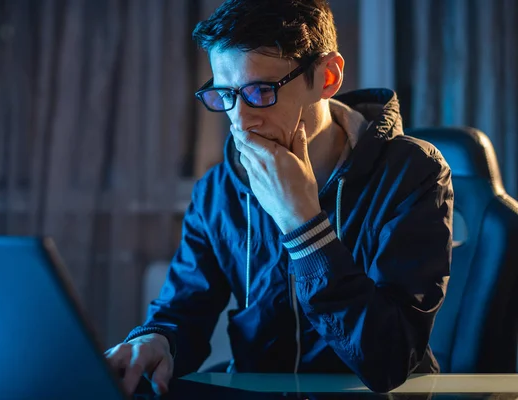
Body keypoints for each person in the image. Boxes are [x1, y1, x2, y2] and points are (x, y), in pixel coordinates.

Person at [106, 0, 453, 396]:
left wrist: (304, 225)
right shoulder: (219, 187)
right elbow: (183, 310)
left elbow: (389, 360)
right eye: (225, 94)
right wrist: (156, 340)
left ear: (327, 77)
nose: (240, 120)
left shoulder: (413, 173)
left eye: (259, 90)